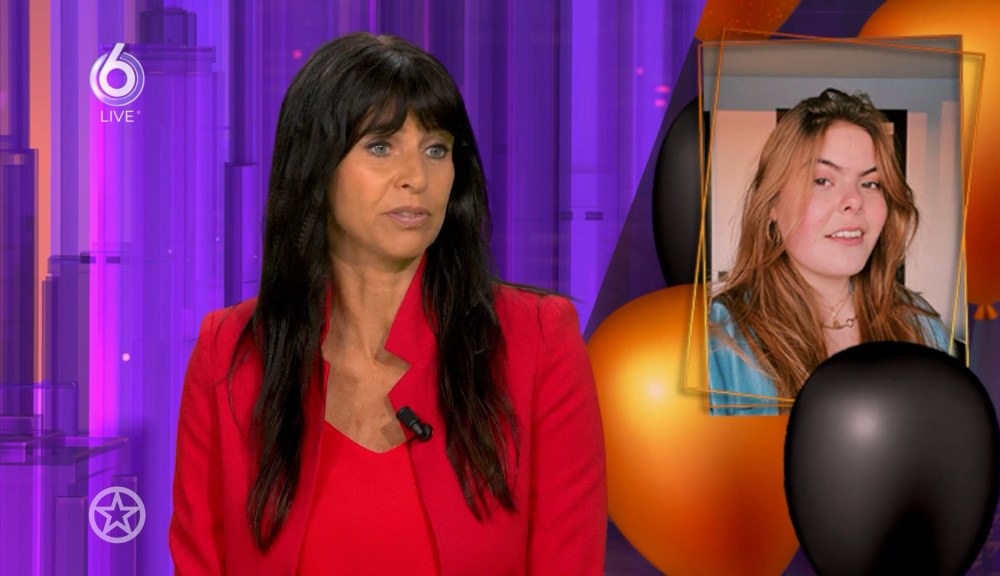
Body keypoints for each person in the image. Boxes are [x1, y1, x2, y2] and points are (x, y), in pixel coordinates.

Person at [169, 32, 606, 574]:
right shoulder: (230, 352)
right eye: (381, 147)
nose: (416, 178)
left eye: (436, 149)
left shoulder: (538, 340)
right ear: (315, 166)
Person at [707, 88, 948, 416]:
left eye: (871, 183)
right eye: (822, 180)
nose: (855, 201)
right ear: (772, 204)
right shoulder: (719, 341)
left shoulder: (920, 325)